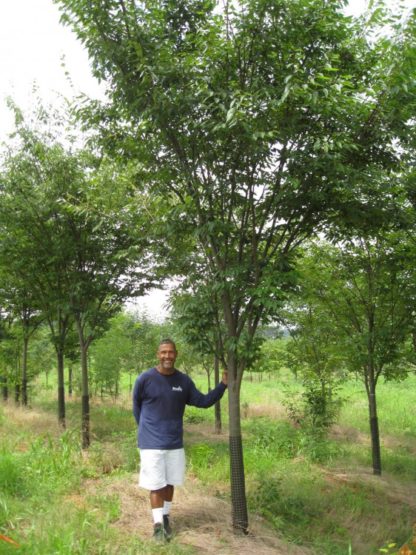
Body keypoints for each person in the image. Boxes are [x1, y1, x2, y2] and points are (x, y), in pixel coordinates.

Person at [132, 338, 228, 542]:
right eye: (163, 352)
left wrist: (223, 385)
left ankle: (166, 518)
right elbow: (136, 407)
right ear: (158, 354)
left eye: (171, 352)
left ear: (176, 354)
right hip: (151, 443)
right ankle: (157, 526)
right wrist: (145, 430)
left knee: (169, 483)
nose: (167, 356)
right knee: (156, 484)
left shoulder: (183, 381)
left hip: (174, 442)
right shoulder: (145, 379)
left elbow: (203, 401)